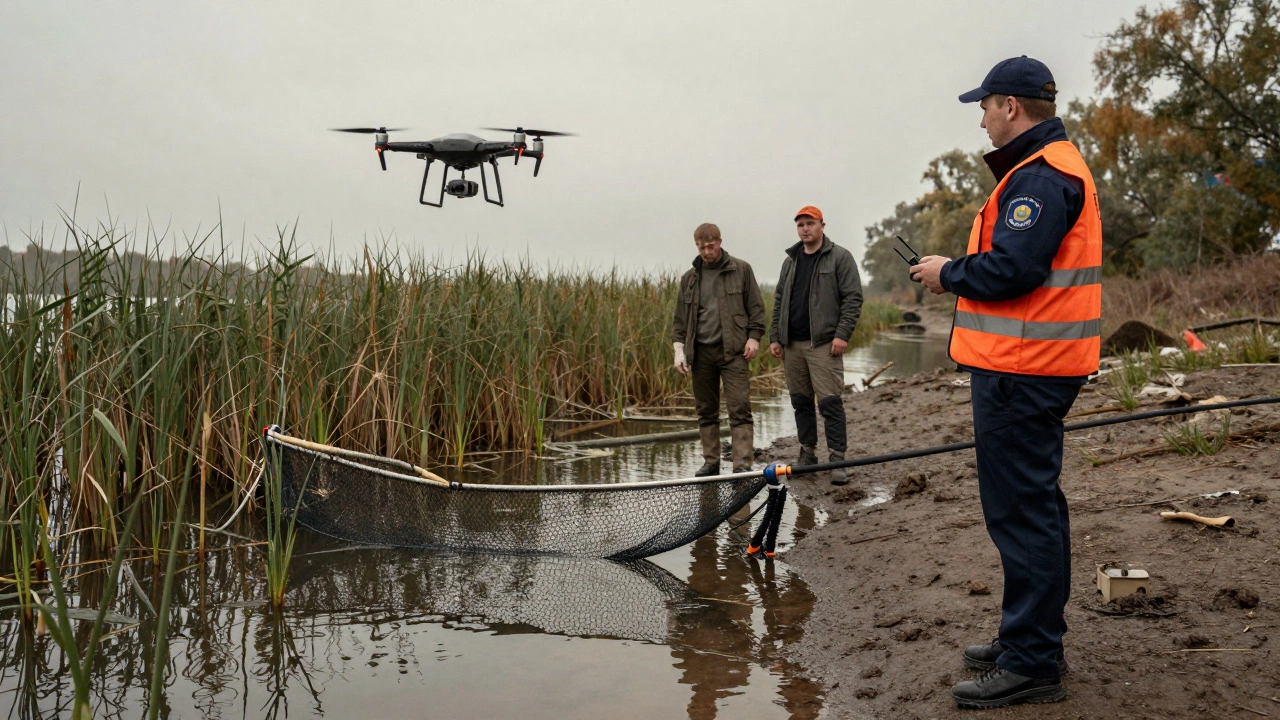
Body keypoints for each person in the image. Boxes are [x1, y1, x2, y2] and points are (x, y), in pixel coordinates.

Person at [910, 56, 1102, 709]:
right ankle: (1027, 638)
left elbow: (1011, 270)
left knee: (1022, 515)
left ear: (1011, 107)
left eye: (985, 106)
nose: (983, 119)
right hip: (1026, 368)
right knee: (1032, 510)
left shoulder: (1042, 177)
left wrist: (948, 272)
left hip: (1025, 372)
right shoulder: (1046, 169)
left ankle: (1033, 661)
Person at [768, 206, 863, 485]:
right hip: (792, 346)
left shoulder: (840, 257)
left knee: (830, 403)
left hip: (823, 344)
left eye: (810, 223)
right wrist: (775, 337)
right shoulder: (791, 261)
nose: (805, 229)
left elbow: (853, 299)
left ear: (822, 225)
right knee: (801, 402)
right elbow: (779, 301)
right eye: (800, 225)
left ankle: (838, 459)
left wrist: (842, 334)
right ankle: (808, 455)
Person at [672, 223, 766, 475]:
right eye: (701, 247)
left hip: (734, 352)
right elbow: (680, 321)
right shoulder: (689, 279)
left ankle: (742, 464)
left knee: (739, 407)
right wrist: (679, 351)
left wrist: (754, 338)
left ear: (720, 242)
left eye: (710, 246)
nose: (706, 251)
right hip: (700, 354)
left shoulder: (741, 270)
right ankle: (711, 463)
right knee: (706, 410)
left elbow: (756, 309)